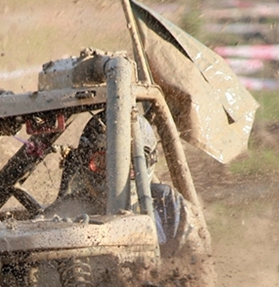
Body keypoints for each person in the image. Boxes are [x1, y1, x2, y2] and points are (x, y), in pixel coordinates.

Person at [47, 109, 191, 257]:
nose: (116, 175)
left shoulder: (167, 202)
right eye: (102, 162)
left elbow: (196, 258)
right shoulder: (64, 211)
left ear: (149, 161)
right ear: (85, 163)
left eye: (131, 162)